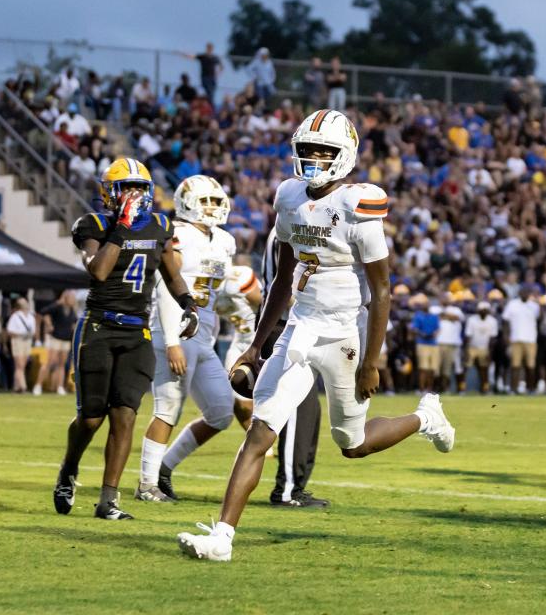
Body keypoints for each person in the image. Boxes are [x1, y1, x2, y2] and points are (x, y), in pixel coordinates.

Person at [177, 109, 455, 561]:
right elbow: (281, 281)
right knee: (261, 430)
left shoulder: (357, 205)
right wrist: (256, 344)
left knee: (354, 444)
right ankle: (221, 537)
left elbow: (382, 290)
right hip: (301, 329)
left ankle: (425, 417)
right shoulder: (289, 197)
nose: (314, 158)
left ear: (344, 155)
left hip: (345, 333)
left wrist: (371, 361)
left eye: (324, 151)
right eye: (307, 150)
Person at [53, 157, 199, 520]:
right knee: (91, 418)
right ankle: (68, 469)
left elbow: (171, 273)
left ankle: (108, 500)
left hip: (137, 330)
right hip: (100, 326)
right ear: (109, 193)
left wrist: (189, 304)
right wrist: (121, 227)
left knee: (125, 415)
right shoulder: (95, 224)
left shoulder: (161, 225)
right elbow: (99, 271)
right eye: (127, 188)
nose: (134, 194)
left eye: (140, 188)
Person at [136, 175, 239, 502]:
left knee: (222, 411)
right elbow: (168, 284)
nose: (211, 207)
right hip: (175, 329)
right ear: (185, 202)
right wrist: (172, 341)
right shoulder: (177, 234)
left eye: (215, 201)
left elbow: (216, 295)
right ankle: (146, 485)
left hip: (204, 336)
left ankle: (163, 468)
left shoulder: (224, 240)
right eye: (204, 201)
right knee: (168, 408)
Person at [257, 230, 330, 509]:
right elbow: (287, 286)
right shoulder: (287, 230)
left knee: (309, 411)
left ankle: (295, 486)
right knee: (298, 410)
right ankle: (286, 491)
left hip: (297, 325)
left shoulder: (300, 226)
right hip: (284, 325)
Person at [33, 290, 78, 395]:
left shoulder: (72, 310)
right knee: (49, 362)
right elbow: (43, 312)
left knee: (61, 364)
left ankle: (60, 387)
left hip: (66, 339)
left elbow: (74, 322)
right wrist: (49, 324)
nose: (73, 300)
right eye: (71, 298)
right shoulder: (57, 307)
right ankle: (38, 385)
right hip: (55, 338)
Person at [502, 287, 539, 394]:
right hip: (516, 338)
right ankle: (514, 388)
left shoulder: (534, 306)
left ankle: (530, 388)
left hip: (531, 339)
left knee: (530, 366)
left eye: (527, 292)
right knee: (515, 365)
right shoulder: (512, 304)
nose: (525, 294)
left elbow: (539, 318)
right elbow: (505, 321)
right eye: (523, 292)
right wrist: (506, 336)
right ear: (519, 293)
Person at [465, 301, 497, 394]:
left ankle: (485, 388)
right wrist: (467, 351)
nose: (483, 312)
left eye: (485, 310)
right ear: (478, 311)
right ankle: (461, 388)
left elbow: (492, 339)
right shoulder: (472, 319)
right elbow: (468, 336)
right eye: (481, 310)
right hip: (473, 347)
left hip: (485, 348)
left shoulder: (492, 321)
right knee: (466, 367)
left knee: (484, 369)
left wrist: (490, 353)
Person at [5, 297, 36, 393]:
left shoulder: (31, 316)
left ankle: (16, 387)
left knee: (22, 365)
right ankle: (23, 386)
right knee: (20, 365)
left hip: (27, 341)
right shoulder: (15, 316)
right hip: (18, 341)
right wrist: (20, 334)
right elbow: (9, 331)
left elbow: (33, 330)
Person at [410, 294, 440, 392]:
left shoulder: (434, 316)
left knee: (432, 369)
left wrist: (433, 334)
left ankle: (429, 388)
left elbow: (437, 329)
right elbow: (414, 328)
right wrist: (422, 334)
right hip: (422, 343)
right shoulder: (418, 316)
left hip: (433, 343)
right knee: (423, 368)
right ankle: (422, 389)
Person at [436, 299, 464, 392]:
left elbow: (457, 317)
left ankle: (447, 388)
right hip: (438, 342)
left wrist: (444, 315)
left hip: (452, 343)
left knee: (448, 368)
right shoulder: (435, 308)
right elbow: (435, 317)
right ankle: (437, 388)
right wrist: (445, 316)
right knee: (437, 367)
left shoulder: (456, 309)